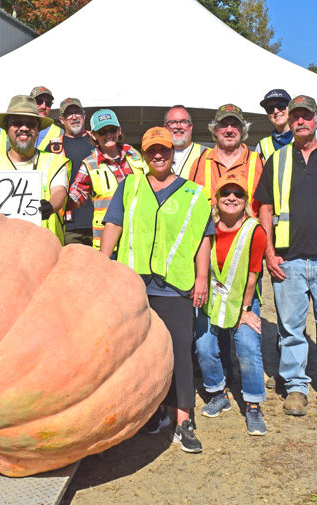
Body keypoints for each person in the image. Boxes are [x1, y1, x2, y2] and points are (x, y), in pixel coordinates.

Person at [100, 127, 214, 453]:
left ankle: (183, 421)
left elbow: (203, 238)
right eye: (152, 151)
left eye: (163, 149)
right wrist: (103, 266)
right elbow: (114, 224)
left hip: (175, 287)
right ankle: (154, 415)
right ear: (145, 153)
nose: (158, 155)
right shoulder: (132, 185)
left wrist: (202, 278)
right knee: (139, 355)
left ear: (173, 151)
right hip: (134, 285)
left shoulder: (194, 193)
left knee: (179, 354)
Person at [254, 95, 317, 419]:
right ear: (291, 121)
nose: (300, 121)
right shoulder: (278, 159)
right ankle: (296, 387)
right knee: (291, 330)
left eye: (306, 116)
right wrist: (269, 252)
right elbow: (265, 208)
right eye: (296, 116)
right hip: (289, 261)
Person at [197, 171, 268, 435]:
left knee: (248, 347)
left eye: (238, 193)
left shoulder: (255, 230)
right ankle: (218, 393)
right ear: (216, 198)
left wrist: (246, 311)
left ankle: (253, 405)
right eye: (225, 193)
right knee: (204, 346)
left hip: (243, 301)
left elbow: (252, 276)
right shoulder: (207, 228)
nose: (231, 197)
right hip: (211, 299)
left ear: (245, 199)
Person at [0, 95, 70, 244]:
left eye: (30, 124)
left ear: (38, 130)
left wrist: (50, 207)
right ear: (6, 129)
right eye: (17, 123)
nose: (24, 128)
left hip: (46, 252)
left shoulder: (55, 162)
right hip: (2, 253)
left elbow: (59, 192)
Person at [66, 108, 144, 250]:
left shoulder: (133, 154)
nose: (108, 135)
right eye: (102, 132)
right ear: (94, 135)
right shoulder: (90, 163)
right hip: (108, 243)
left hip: (137, 237)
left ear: (119, 131)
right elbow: (76, 194)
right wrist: (58, 202)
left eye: (112, 130)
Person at [189, 104, 264, 215]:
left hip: (248, 231)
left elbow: (266, 209)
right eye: (223, 125)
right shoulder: (200, 162)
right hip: (210, 231)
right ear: (215, 130)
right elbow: (191, 205)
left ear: (243, 130)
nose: (229, 130)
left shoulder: (259, 162)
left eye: (235, 125)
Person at [48, 98, 96, 246]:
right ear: (62, 120)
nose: (74, 117)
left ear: (84, 115)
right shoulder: (53, 148)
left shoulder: (99, 140)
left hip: (100, 222)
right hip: (70, 226)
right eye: (69, 114)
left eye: (77, 112)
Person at [255, 89, 317, 161]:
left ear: (291, 108)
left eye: (281, 106)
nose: (275, 111)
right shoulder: (262, 146)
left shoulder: (316, 136)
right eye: (270, 108)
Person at [0, 86, 63, 155]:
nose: (43, 106)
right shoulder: (4, 128)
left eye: (48, 103)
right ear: (30, 103)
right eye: (39, 101)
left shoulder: (59, 132)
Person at [163, 105, 205, 179]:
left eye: (183, 122)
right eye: (173, 122)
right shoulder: (153, 156)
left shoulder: (207, 154)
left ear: (191, 126)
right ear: (165, 128)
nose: (178, 127)